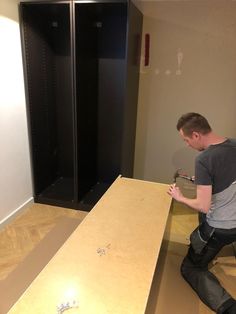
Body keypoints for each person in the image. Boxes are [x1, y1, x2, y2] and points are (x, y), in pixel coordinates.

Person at [168, 112, 236, 314]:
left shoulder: (204, 159)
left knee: (191, 268)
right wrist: (205, 180)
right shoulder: (233, 144)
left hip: (222, 228)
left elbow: (203, 206)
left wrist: (179, 197)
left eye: (186, 140)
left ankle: (229, 308)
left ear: (196, 135)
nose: (187, 144)